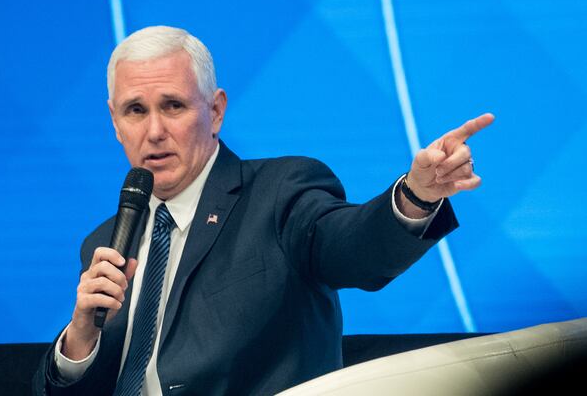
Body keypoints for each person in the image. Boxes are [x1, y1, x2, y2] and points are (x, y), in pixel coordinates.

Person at [33, 25, 494, 395]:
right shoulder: (105, 242)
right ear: (115, 123)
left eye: (172, 106)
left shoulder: (280, 192)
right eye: (135, 110)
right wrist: (79, 339)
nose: (153, 131)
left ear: (215, 112)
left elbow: (354, 249)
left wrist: (415, 194)